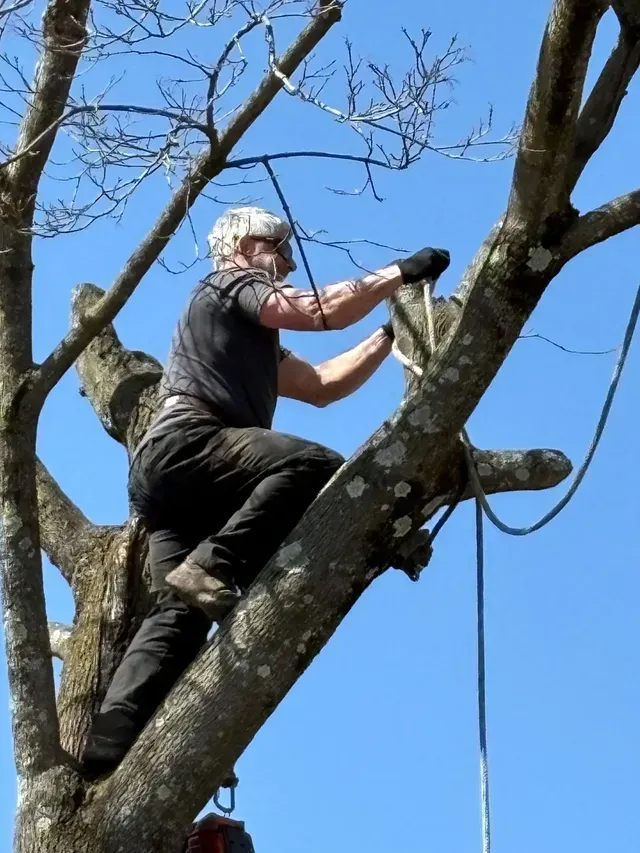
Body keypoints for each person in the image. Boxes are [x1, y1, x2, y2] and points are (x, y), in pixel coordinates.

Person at [81, 206, 450, 779]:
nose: (284, 260)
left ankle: (112, 742)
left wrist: (389, 332)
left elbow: (324, 386)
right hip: (190, 444)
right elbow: (320, 310)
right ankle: (217, 563)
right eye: (275, 247)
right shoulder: (230, 284)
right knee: (313, 464)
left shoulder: (251, 333)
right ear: (239, 245)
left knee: (180, 615)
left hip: (176, 487)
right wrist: (397, 275)